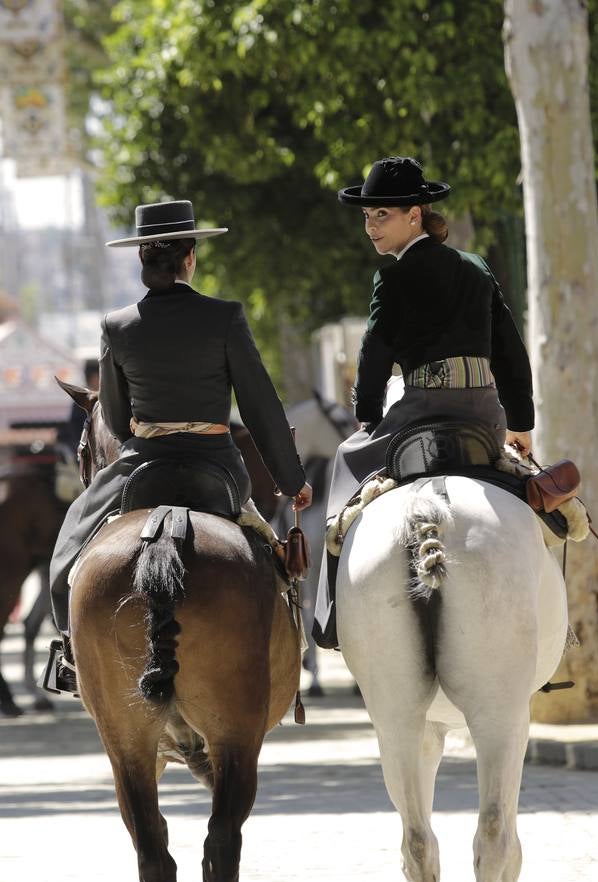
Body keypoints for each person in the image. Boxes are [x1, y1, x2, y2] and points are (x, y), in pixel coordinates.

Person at [44, 200, 312, 693]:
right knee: (271, 557)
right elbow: (260, 407)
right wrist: (292, 481)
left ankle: (69, 656)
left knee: (68, 552)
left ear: (142, 259)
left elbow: (120, 422)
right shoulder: (225, 316)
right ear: (191, 256)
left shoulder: (116, 326)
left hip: (142, 469)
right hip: (219, 473)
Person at [313, 156, 534, 648]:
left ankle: (329, 620)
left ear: (415, 213)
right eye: (366, 216)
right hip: (484, 413)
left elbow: (374, 356)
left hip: (421, 410)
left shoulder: (390, 279)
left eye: (382, 215)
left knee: (345, 465)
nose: (370, 226)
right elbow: (510, 352)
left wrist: (368, 417)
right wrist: (521, 423)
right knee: (542, 499)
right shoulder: (477, 268)